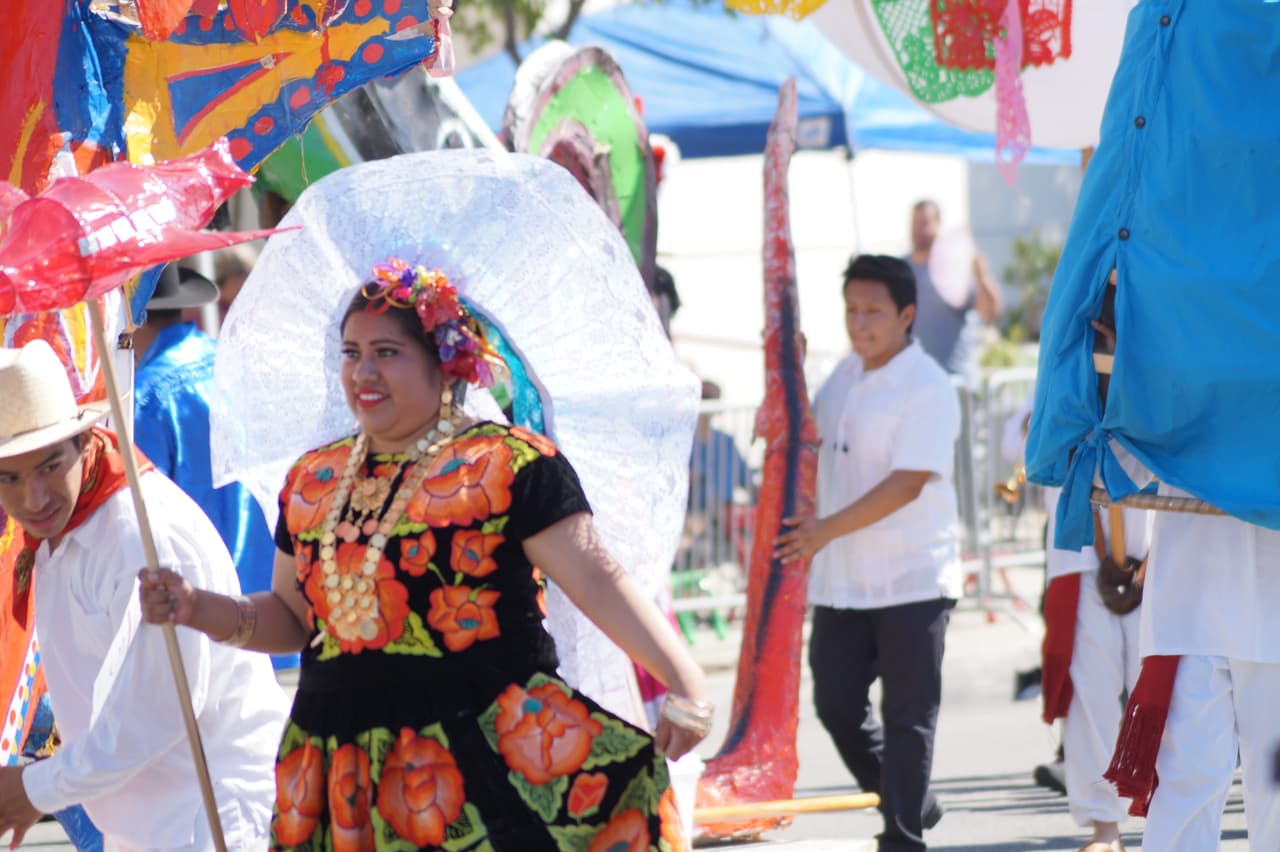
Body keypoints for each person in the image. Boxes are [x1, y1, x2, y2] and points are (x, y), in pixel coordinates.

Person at [138, 259, 712, 849]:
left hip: (483, 759)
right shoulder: (313, 479)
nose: (364, 371)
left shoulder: (507, 464)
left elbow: (597, 581)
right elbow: (295, 618)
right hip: (339, 769)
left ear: (444, 360)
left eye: (387, 352)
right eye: (351, 352)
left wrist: (684, 679)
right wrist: (195, 607)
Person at [0, 339, 288, 849]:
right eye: (9, 477)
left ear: (86, 443)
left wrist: (35, 789)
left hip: (211, 816)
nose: (33, 497)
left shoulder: (142, 534)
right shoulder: (60, 531)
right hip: (145, 822)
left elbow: (161, 708)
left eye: (49, 465)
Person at [775, 254, 962, 850]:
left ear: (907, 315)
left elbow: (909, 482)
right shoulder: (843, 375)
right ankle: (914, 798)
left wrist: (825, 528)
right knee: (835, 703)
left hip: (914, 577)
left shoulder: (928, 385)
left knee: (908, 719)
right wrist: (786, 371)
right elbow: (808, 432)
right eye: (852, 309)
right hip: (843, 580)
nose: (860, 322)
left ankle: (902, 837)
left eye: (873, 310)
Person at [132, 263, 295, 669]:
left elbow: (138, 521)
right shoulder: (234, 365)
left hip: (209, 628)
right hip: (278, 617)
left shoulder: (146, 398)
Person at [1039, 488, 1151, 852]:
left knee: (1165, 685)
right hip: (1081, 538)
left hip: (1164, 530)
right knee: (1091, 685)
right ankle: (1105, 828)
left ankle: (1172, 817)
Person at [904, 200, 1002, 374]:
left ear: (938, 225)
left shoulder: (956, 266)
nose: (917, 229)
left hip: (955, 381)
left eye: (924, 223)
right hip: (915, 381)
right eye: (914, 223)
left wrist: (982, 278)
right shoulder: (900, 270)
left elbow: (990, 313)